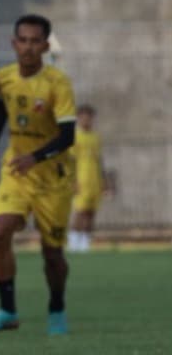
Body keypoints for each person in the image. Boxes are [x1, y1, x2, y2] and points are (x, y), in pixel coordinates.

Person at [0, 14, 76, 336]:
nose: (29, 47)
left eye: (36, 41)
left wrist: (35, 157)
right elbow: (3, 107)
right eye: (24, 40)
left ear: (46, 46)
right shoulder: (4, 76)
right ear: (14, 43)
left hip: (52, 177)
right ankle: (8, 310)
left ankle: (57, 305)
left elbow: (67, 135)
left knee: (53, 255)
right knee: (0, 229)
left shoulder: (57, 84)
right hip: (17, 170)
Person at [68, 104, 112, 253]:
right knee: (80, 212)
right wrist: (72, 180)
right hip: (81, 180)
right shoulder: (74, 137)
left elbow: (100, 160)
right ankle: (74, 243)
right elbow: (71, 161)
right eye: (83, 117)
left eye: (89, 117)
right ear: (78, 118)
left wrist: (105, 181)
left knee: (91, 213)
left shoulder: (95, 137)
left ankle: (85, 244)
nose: (87, 120)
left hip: (95, 181)